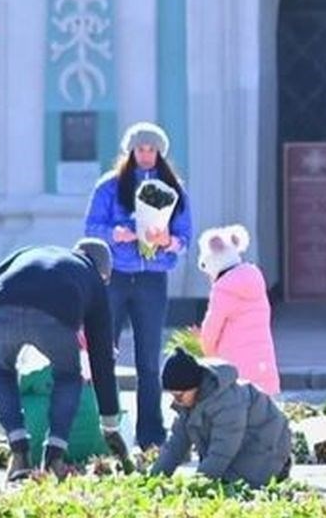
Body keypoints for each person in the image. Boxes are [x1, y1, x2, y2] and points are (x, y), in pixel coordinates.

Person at [0, 239, 129, 481]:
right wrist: (110, 425)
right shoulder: (93, 280)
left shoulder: (31, 250)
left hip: (1, 307)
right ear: (102, 273)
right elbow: (101, 360)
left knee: (1, 373)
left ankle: (19, 452)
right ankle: (54, 457)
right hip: (55, 319)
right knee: (68, 377)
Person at [85, 121, 193, 449]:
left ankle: (151, 434)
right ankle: (105, 427)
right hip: (114, 277)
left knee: (148, 360)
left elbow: (185, 237)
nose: (146, 155)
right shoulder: (109, 186)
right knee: (104, 354)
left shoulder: (172, 189)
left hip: (152, 279)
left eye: (152, 150)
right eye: (141, 149)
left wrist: (168, 240)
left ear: (160, 153)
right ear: (130, 151)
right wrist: (115, 235)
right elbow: (91, 227)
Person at [150, 348, 292, 487]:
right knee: (221, 484)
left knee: (234, 489)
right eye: (173, 395)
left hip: (266, 449)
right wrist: (152, 480)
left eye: (179, 396)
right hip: (241, 451)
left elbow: (222, 451)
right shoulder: (189, 403)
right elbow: (175, 446)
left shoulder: (228, 402)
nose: (176, 401)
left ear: (194, 387)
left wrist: (197, 486)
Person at [197, 224, 280, 396]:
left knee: (237, 413)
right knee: (264, 410)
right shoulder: (256, 281)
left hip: (235, 366)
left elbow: (212, 328)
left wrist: (207, 352)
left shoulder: (223, 290)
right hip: (263, 361)